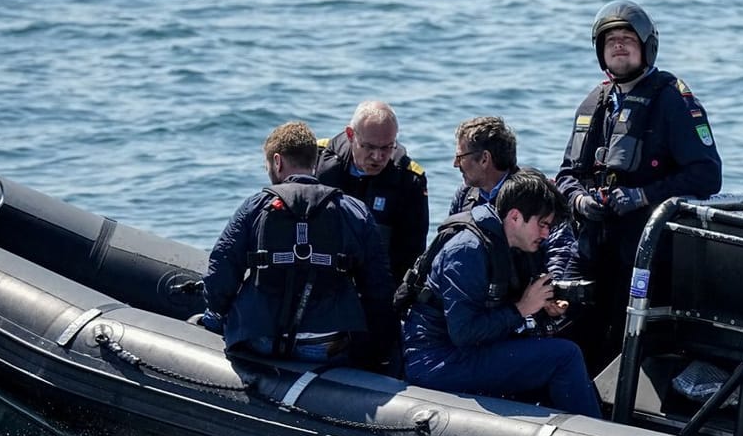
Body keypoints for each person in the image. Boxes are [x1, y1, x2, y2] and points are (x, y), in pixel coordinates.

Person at [552, 0, 723, 370]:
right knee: (572, 331)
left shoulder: (672, 101)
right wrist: (581, 202)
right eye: (611, 39)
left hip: (649, 253)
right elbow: (566, 175)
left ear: (647, 46)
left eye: (628, 38)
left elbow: (707, 174)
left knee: (627, 341)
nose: (618, 45)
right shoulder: (595, 104)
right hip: (595, 248)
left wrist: (642, 196)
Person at [401, 170, 599, 417]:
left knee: (555, 354)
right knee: (565, 356)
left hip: (470, 350)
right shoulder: (467, 252)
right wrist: (522, 309)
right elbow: (464, 333)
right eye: (543, 225)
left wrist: (542, 309)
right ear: (515, 217)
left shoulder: (513, 247)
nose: (546, 234)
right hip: (436, 358)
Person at [203, 121, 394, 366]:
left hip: (262, 339)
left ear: (277, 161)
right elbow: (378, 288)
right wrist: (377, 350)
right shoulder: (354, 211)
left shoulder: (255, 207)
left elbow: (220, 274)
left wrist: (219, 310)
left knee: (212, 316)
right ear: (314, 163)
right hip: (325, 343)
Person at [317, 99, 430, 281]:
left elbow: (412, 252)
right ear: (350, 135)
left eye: (386, 147)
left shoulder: (409, 180)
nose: (378, 157)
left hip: (376, 281)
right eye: (369, 147)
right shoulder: (317, 159)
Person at [446, 115, 518, 216]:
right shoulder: (464, 195)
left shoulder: (528, 196)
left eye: (460, 157)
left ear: (484, 159)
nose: (455, 164)